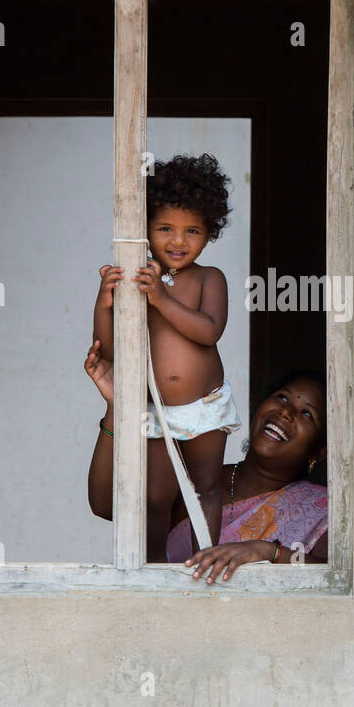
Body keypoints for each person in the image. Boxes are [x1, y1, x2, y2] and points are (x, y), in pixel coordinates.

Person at [89, 152, 240, 561]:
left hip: (204, 405)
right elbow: (109, 349)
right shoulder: (139, 279)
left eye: (193, 230)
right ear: (146, 231)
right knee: (154, 498)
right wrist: (104, 303)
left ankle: (205, 558)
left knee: (205, 487)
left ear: (210, 232)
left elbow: (209, 331)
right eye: (166, 228)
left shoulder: (210, 278)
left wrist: (161, 297)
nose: (178, 241)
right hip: (153, 410)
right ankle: (154, 573)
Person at [84, 355, 328, 582]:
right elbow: (106, 505)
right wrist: (116, 409)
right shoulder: (197, 484)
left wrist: (268, 552)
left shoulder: (322, 511)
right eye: (282, 398)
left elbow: (337, 574)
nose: (286, 412)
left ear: (320, 450)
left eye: (307, 414)